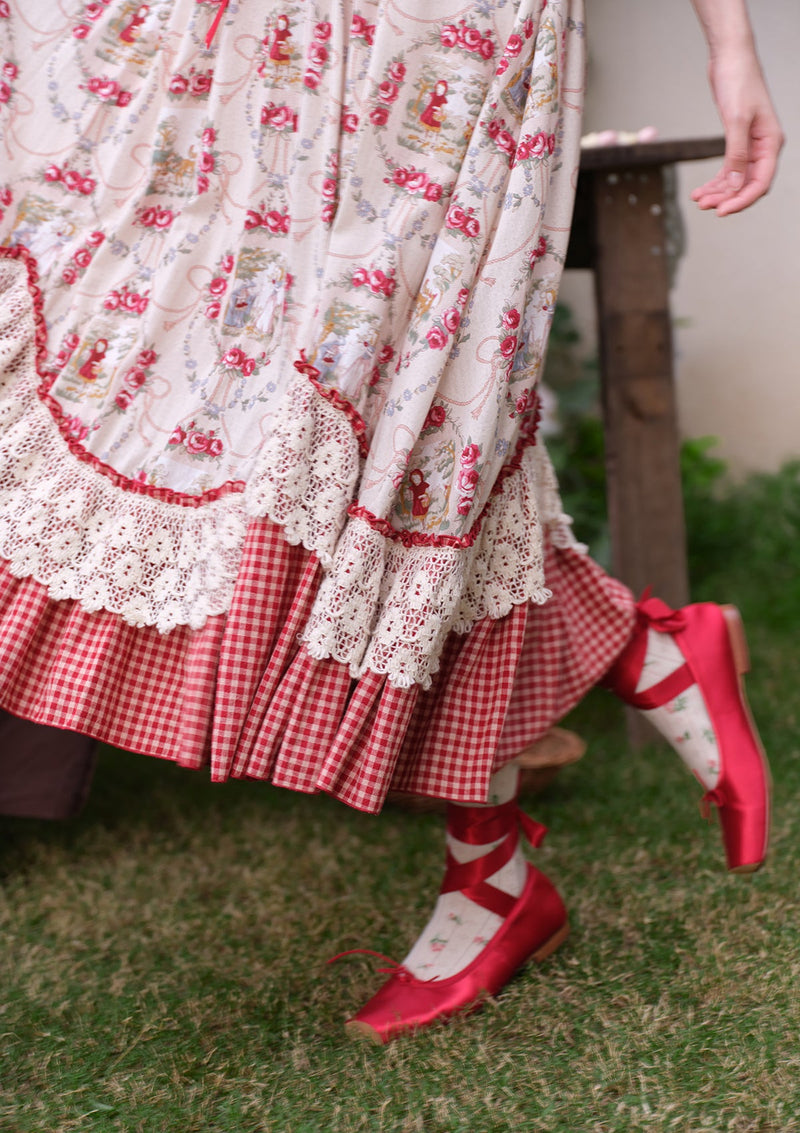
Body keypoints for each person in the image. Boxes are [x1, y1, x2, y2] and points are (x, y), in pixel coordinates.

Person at [0, 0, 782, 1043]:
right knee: (233, 377)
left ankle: (506, 856)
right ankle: (619, 689)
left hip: (437, 33)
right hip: (258, 37)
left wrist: (730, 45)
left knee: (408, 413)